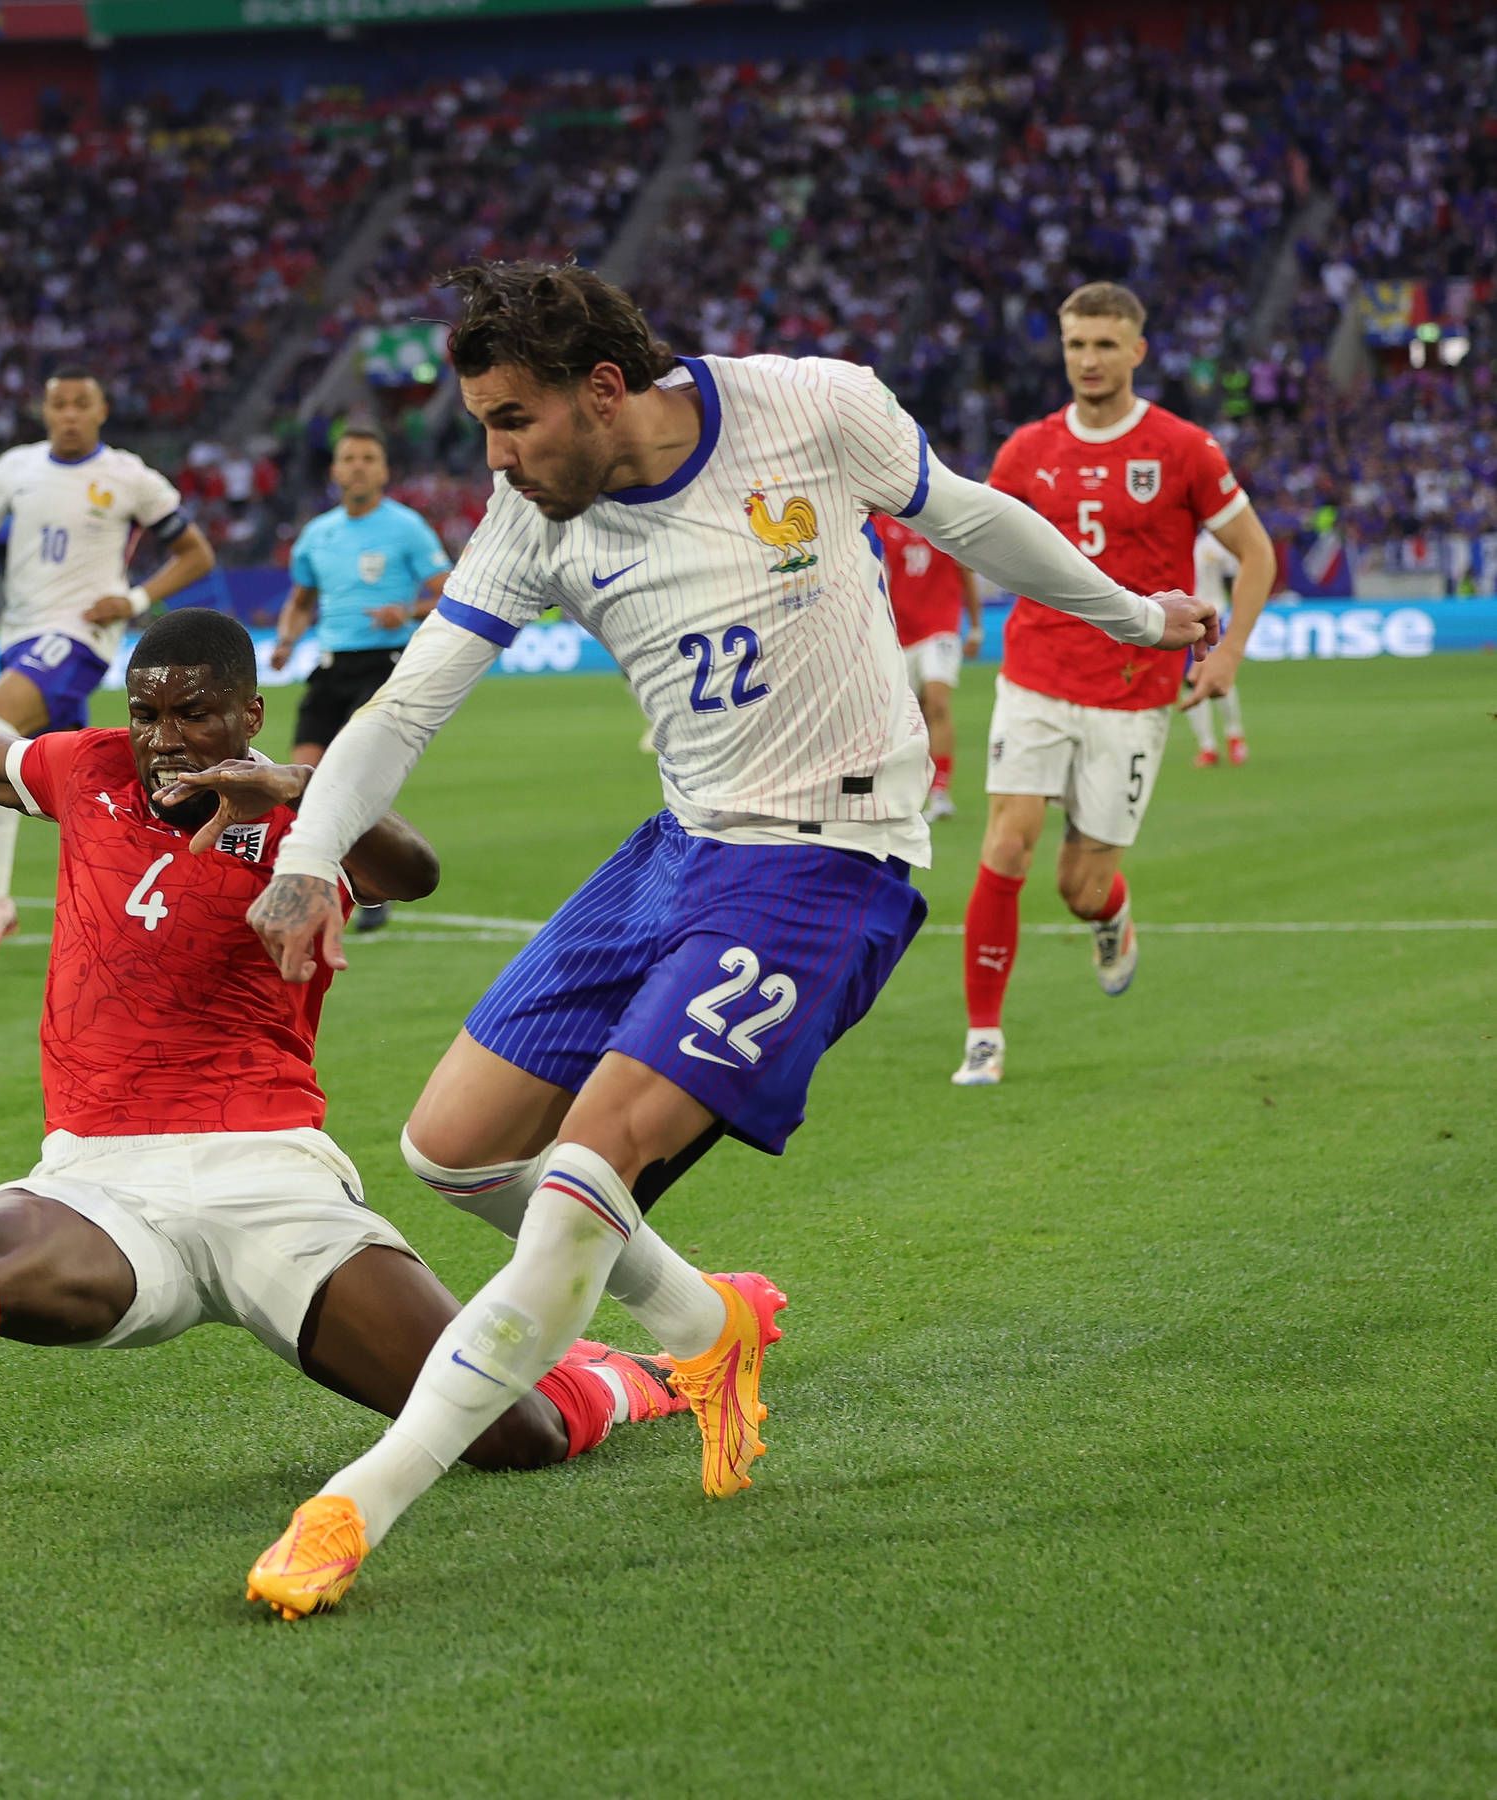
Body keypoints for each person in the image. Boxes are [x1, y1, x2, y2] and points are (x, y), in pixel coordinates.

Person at [191, 261, 1221, 1619]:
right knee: (454, 1147)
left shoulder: (811, 406)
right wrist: (308, 860)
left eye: (513, 420)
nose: (496, 456)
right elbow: (407, 706)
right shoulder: (531, 517)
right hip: (679, 847)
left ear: (602, 390)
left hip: (824, 863)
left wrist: (1138, 616)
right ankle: (700, 1323)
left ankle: (356, 1505)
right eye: (485, 426)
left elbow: (970, 517)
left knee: (583, 1175)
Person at [0, 611, 688, 1500]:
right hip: (99, 1175)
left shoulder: (307, 821)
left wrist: (305, 792)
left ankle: (618, 1380)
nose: (163, 739)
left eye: (193, 715)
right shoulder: (90, 772)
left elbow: (413, 872)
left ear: (249, 713)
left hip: (269, 1177)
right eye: (146, 714)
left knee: (514, 1437)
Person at [956, 283, 1276, 1086]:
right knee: (1007, 841)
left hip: (1133, 692)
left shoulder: (1183, 448)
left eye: (1105, 344)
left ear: (1138, 350)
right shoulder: (1025, 451)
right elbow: (985, 543)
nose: (1089, 360)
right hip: (1036, 671)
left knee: (1079, 885)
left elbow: (1258, 553)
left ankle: (1110, 911)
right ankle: (984, 1036)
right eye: (1076, 344)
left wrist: (1228, 655)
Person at [0, 369, 217, 961]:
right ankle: (153, 891)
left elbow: (197, 554)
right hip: (20, 634)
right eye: (59, 403)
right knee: (79, 786)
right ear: (45, 410)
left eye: (81, 403)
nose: (69, 414)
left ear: (102, 411)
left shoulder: (129, 476)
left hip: (80, 633)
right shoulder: (16, 467)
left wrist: (135, 599)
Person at [269, 426, 454, 931]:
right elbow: (301, 601)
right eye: (349, 458)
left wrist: (406, 611)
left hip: (384, 664)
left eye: (368, 458)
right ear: (334, 470)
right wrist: (286, 640)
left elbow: (449, 590)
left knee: (353, 776)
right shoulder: (317, 534)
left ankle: (374, 887)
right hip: (331, 666)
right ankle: (322, 879)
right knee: (301, 780)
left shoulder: (406, 527)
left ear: (384, 470)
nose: (357, 466)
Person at [870, 512, 981, 819]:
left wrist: (975, 627)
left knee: (937, 704)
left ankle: (941, 791)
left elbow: (966, 572)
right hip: (900, 632)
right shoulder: (883, 523)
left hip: (940, 628)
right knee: (905, 716)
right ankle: (907, 790)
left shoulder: (940, 518)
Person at [1183, 530, 1247, 767]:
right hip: (1183, 621)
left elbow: (1233, 579)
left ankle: (1234, 735)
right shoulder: (1175, 537)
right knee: (1190, 681)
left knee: (1218, 677)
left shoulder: (1216, 541)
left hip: (1213, 617)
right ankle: (1207, 746)